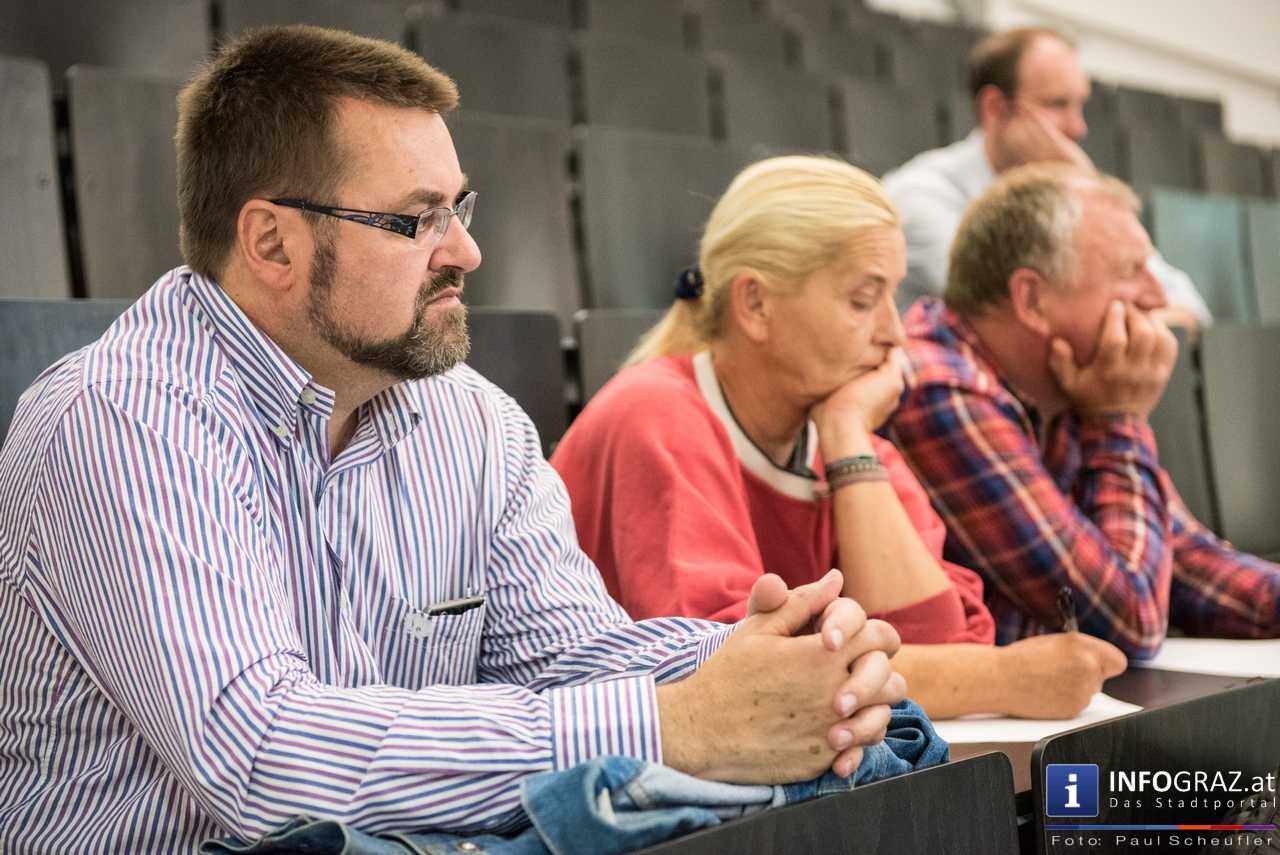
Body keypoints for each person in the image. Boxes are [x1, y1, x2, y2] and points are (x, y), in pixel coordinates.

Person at [0, 26, 906, 851]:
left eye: (459, 208)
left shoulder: (472, 420)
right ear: (272, 244)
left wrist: (774, 658)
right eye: (415, 219)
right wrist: (681, 724)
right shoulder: (119, 421)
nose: (465, 252)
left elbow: (569, 660)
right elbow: (265, 759)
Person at [550, 155, 1126, 721]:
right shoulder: (655, 416)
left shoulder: (851, 436)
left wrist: (848, 438)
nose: (895, 333)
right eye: (862, 300)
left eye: (893, 298)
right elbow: (739, 679)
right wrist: (1003, 679)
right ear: (755, 303)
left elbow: (942, 641)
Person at [887, 162, 1280, 660]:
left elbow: (1188, 564)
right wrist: (1120, 419)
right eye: (1130, 271)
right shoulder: (939, 389)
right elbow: (1128, 618)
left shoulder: (1067, 379)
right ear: (1032, 300)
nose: (1158, 298)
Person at [882, 26, 1211, 330]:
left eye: (1079, 105)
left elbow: (1189, 305)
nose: (1078, 127)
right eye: (1058, 104)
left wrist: (1084, 185)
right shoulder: (919, 195)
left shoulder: (1070, 192)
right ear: (995, 108)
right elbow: (1023, 320)